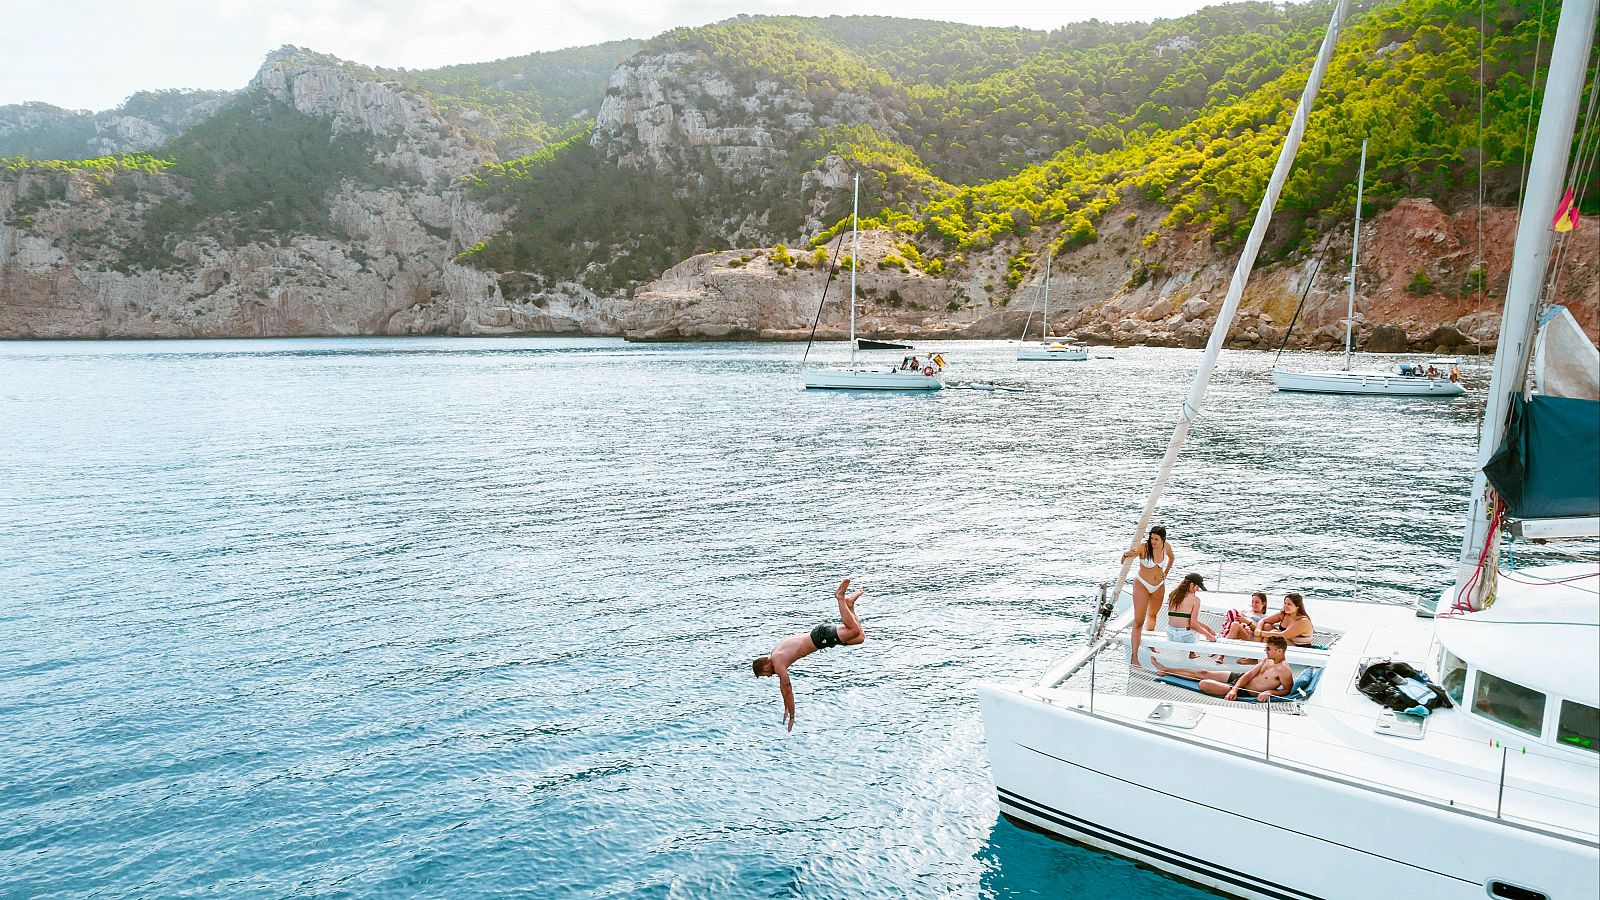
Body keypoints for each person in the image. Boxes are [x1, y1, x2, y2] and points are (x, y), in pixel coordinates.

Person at [752, 578, 866, 732]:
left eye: (766, 674)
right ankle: (850, 606)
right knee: (859, 638)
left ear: (765, 666)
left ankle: (840, 597)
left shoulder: (777, 661)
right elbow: (783, 687)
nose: (769, 675)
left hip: (820, 637)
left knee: (853, 631)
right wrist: (786, 706)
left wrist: (792, 715)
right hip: (820, 638)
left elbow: (787, 687)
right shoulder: (776, 654)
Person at [1153, 636, 1295, 702]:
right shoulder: (1267, 659)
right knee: (1203, 672)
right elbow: (1250, 673)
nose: (1265, 650)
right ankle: (1166, 670)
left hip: (1245, 691)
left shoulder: (1284, 670)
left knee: (1204, 683)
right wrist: (1235, 686)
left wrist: (1269, 692)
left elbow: (1287, 690)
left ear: (1280, 651)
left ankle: (1225, 688)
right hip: (1240, 680)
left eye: (1268, 649)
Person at [1120, 525, 1174, 666]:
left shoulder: (1166, 547)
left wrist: (1166, 572)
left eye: (1156, 539)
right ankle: (1134, 656)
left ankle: (1150, 643)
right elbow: (1123, 561)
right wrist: (1126, 554)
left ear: (1163, 539)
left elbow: (1172, 558)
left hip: (1158, 586)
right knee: (1138, 621)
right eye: (1151, 538)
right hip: (1142, 584)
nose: (1153, 542)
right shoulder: (1143, 548)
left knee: (1152, 615)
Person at [1236, 593, 1314, 646]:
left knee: (1272, 634)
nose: (1286, 606)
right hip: (1285, 642)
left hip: (1298, 648)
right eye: (1285, 603)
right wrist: (1258, 629)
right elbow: (1263, 620)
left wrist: (1261, 633)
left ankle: (1256, 658)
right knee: (1266, 626)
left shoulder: (1303, 621)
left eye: (1289, 604)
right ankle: (1254, 655)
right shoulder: (1284, 614)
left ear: (1298, 607)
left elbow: (1284, 635)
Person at [1164, 572, 1216, 644]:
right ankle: (1192, 653)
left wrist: (1208, 628)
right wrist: (1209, 636)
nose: (1197, 590)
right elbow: (1193, 625)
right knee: (1197, 631)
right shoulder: (1195, 600)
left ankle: (1191, 653)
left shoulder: (1172, 595)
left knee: (1196, 628)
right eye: (1197, 587)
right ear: (1191, 585)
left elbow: (1185, 618)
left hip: (1170, 633)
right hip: (1185, 636)